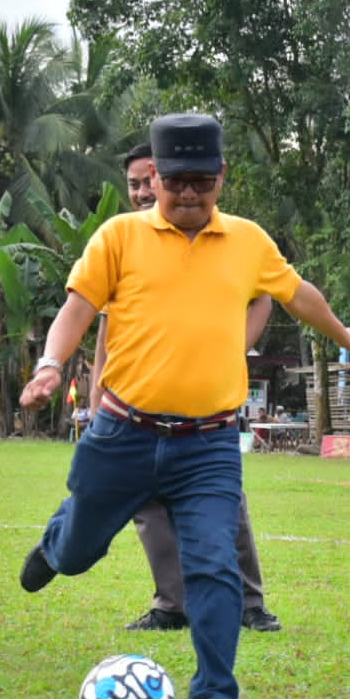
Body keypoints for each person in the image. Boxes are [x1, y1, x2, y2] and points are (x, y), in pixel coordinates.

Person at [18, 113, 350, 699]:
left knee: (213, 566)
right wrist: (51, 366)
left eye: (201, 183)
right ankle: (56, 545)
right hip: (122, 433)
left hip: (208, 444)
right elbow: (77, 309)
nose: (188, 194)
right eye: (176, 181)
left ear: (222, 177)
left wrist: (345, 333)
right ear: (154, 177)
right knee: (78, 553)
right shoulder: (118, 237)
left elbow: (298, 294)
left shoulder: (248, 242)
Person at [93, 142, 283, 634]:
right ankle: (171, 604)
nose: (139, 191)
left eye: (146, 180)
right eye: (132, 183)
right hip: (135, 405)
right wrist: (98, 392)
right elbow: (106, 325)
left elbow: (265, 298)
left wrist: (228, 349)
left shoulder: (223, 236)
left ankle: (248, 602)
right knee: (146, 505)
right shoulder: (122, 240)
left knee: (223, 505)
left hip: (205, 409)